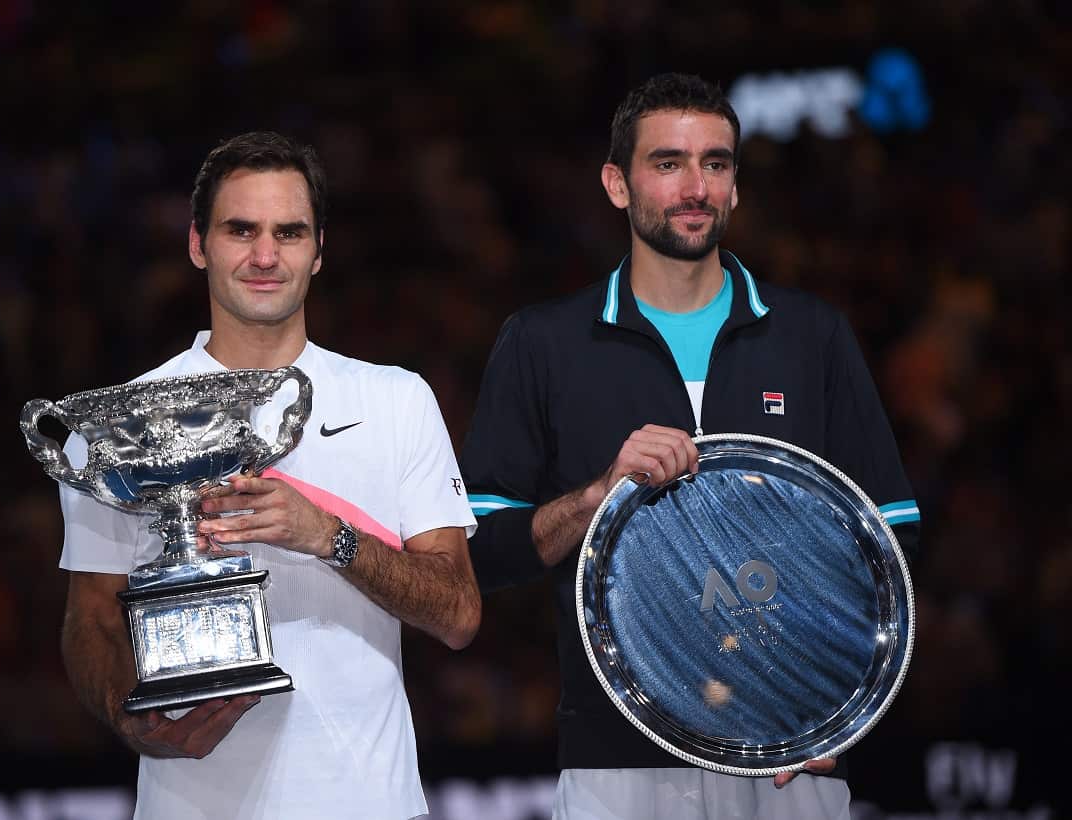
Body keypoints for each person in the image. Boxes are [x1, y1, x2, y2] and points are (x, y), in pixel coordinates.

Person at [460, 73, 921, 819]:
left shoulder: (812, 335)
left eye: (716, 163)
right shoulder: (544, 343)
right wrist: (596, 496)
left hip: (790, 756)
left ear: (736, 185)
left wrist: (843, 704)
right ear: (617, 184)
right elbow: (482, 550)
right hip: (619, 757)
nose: (696, 187)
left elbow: (890, 537)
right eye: (668, 163)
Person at [57, 131, 481, 819]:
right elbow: (92, 617)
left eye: (289, 232)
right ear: (198, 244)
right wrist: (128, 715)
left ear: (319, 250)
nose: (264, 255)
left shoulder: (396, 400)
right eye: (240, 230)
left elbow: (459, 613)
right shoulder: (119, 425)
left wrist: (329, 537)